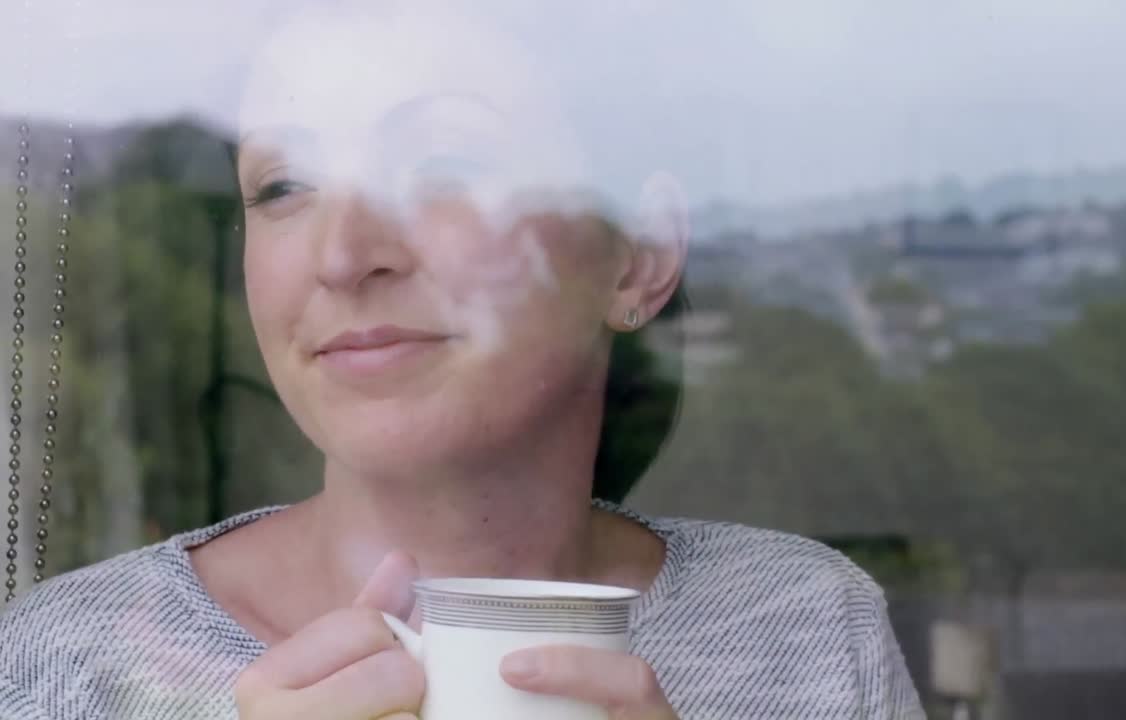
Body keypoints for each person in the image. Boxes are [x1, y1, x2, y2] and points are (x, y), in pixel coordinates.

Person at [0, 2, 924, 718]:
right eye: (284, 186)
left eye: (440, 165)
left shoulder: (804, 633)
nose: (343, 253)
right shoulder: (71, 667)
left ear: (639, 253)